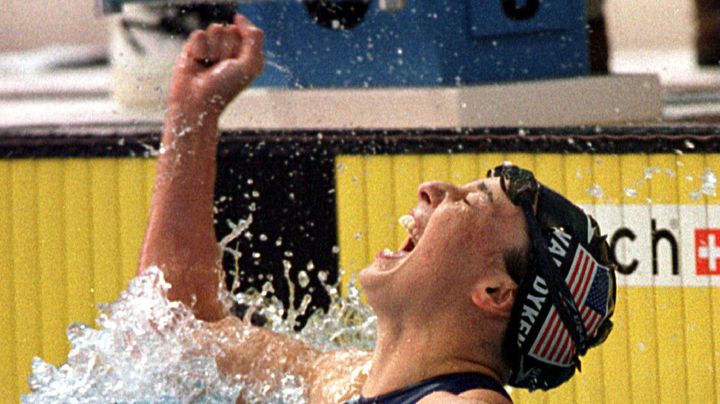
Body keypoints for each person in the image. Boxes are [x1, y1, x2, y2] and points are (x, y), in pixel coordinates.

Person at [139, 15, 616, 403]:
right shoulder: (341, 382)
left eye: (471, 201)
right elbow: (178, 334)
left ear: (494, 291)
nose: (431, 188)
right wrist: (193, 113)